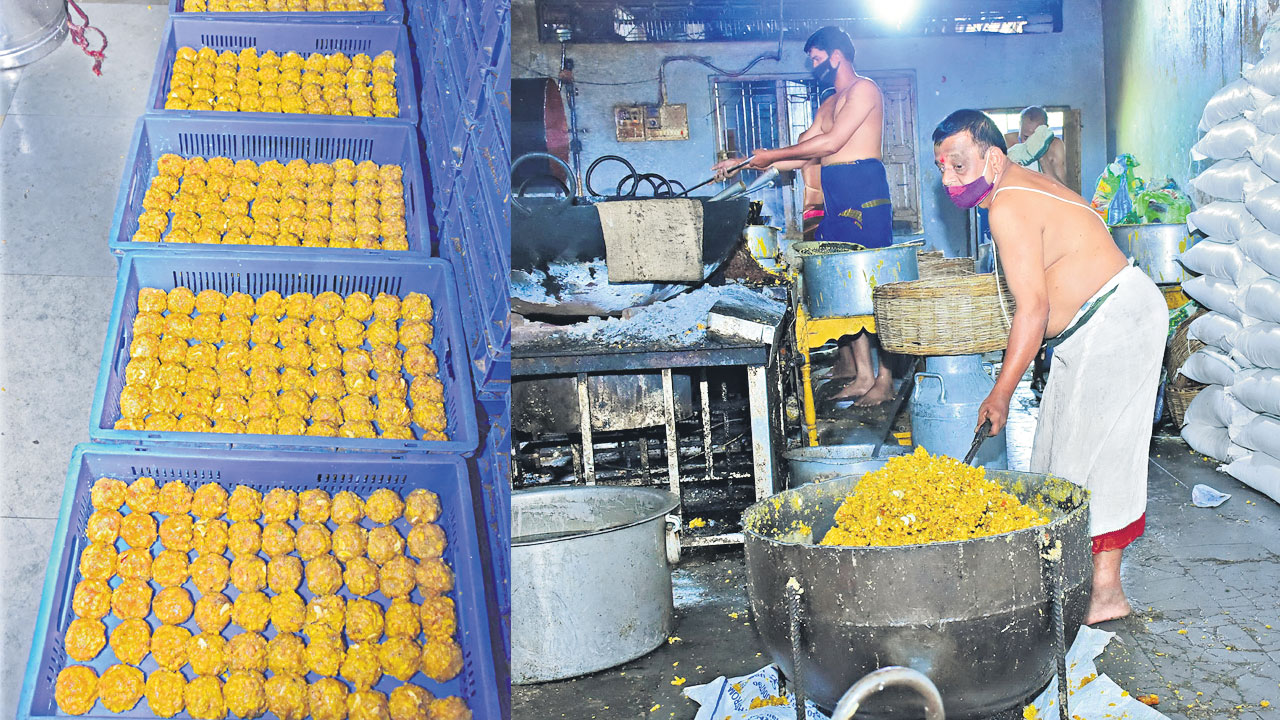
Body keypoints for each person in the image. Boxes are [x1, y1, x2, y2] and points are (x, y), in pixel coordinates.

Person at [932, 109, 1167, 625]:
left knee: (1094, 461)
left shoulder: (1007, 205)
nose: (949, 179)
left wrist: (1001, 393)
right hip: (1093, 325)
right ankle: (1070, 581)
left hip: (1116, 320)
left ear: (992, 158)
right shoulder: (1012, 186)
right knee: (1056, 455)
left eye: (957, 165)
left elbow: (1033, 310)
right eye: (942, 169)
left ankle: (1104, 593)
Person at [714, 25, 895, 405]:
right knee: (846, 284)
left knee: (876, 287)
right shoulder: (829, 102)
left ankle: (885, 378)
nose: (814, 66)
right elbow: (802, 153)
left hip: (865, 189)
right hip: (837, 192)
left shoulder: (865, 90)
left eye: (816, 58)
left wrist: (769, 154)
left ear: (836, 55)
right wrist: (745, 162)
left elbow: (832, 142)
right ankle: (863, 375)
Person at [1006, 106, 1067, 187]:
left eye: (1034, 138)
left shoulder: (1055, 146)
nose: (1028, 143)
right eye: (1025, 137)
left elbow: (1063, 191)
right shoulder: (1006, 143)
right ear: (1019, 126)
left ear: (1045, 130)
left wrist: (1042, 159)